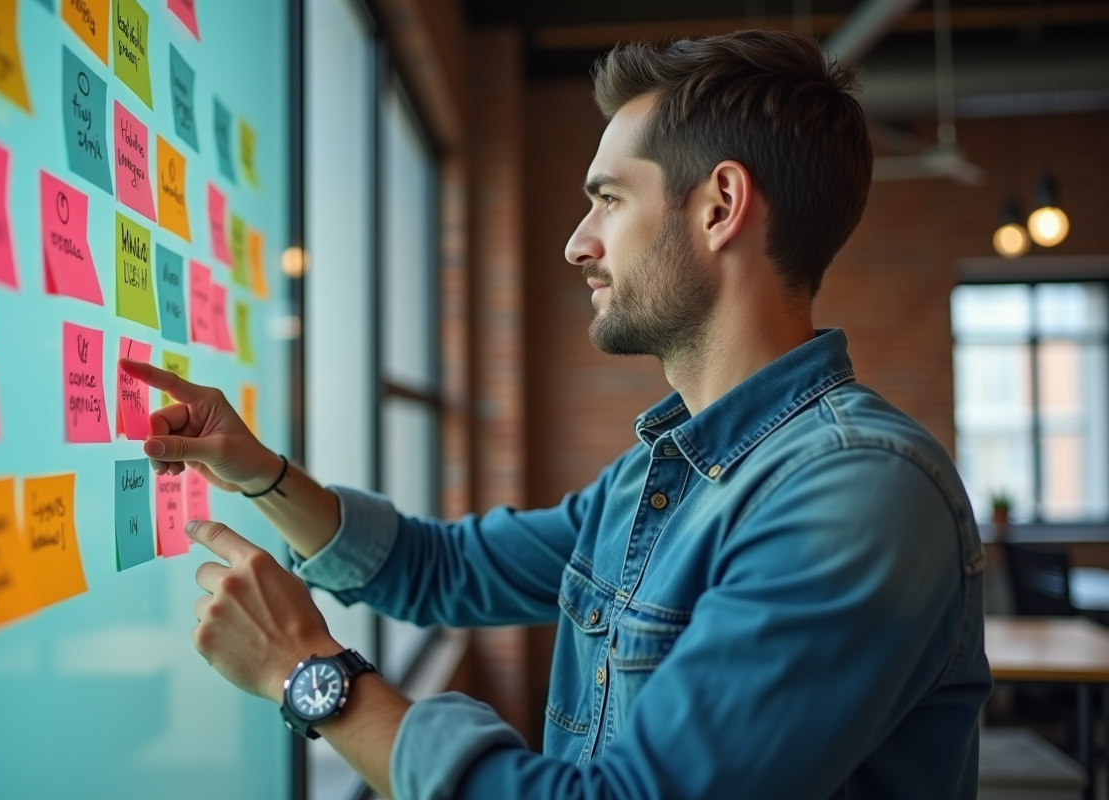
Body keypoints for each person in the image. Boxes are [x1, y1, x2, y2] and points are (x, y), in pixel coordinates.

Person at [121, 29, 991, 800]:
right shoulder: (662, 476)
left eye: (608, 198)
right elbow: (440, 568)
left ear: (719, 207)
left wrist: (308, 674)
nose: (578, 241)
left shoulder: (858, 492)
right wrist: (261, 474)